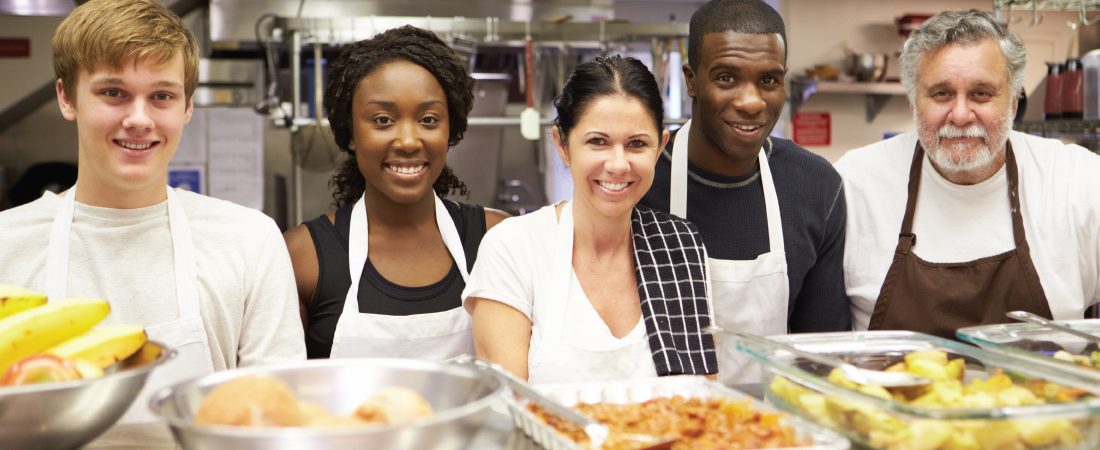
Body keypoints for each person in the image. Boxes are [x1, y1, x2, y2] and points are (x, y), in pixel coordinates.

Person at [0, 0, 305, 447]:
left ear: (186, 107)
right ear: (67, 97)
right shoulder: (6, 243)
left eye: (161, 95)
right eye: (114, 93)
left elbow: (278, 415)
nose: (139, 119)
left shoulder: (249, 240)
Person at [836, 9, 1100, 337]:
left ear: (1014, 104)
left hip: (1049, 389)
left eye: (981, 93)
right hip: (895, 389)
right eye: (941, 94)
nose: (960, 115)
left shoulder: (1080, 181)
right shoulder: (854, 183)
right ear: (913, 103)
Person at [464, 55, 717, 383]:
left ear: (660, 147)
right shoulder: (513, 247)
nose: (618, 164)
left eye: (637, 144)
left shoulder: (680, 245)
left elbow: (703, 398)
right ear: (562, 144)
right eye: (598, 142)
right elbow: (510, 402)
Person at [639, 0, 850, 384]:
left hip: (778, 428)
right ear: (691, 80)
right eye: (726, 78)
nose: (751, 102)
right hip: (661, 425)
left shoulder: (816, 187)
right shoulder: (640, 183)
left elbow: (821, 354)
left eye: (768, 81)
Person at [284, 25, 508, 360]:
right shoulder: (302, 257)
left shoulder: (497, 240)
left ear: (451, 129)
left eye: (429, 119)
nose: (407, 141)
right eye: (383, 120)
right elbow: (283, 398)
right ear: (350, 133)